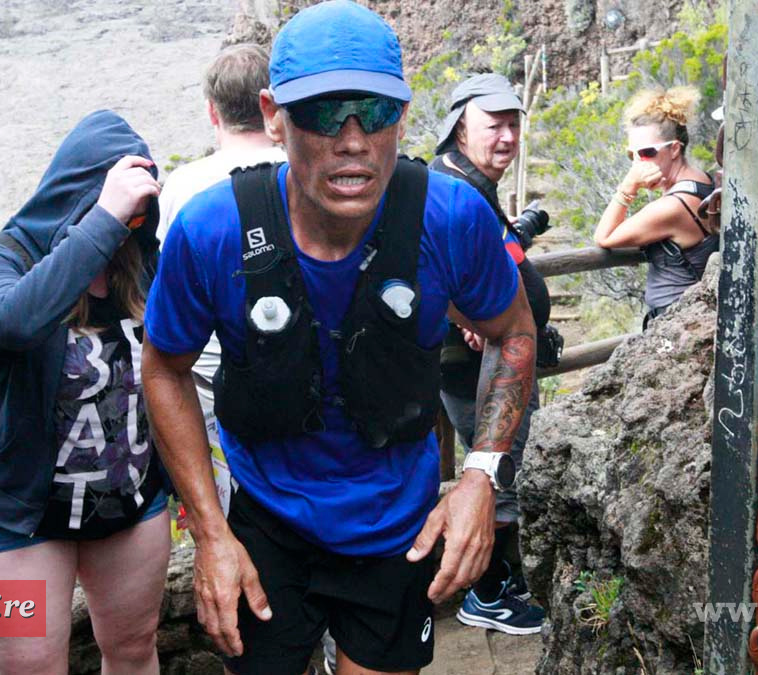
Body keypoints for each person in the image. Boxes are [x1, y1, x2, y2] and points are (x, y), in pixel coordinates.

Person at [141, 2, 537, 674]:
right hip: (268, 518)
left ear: (404, 115)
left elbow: (515, 333)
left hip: (395, 528)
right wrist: (211, 529)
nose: (353, 139)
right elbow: (163, 368)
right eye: (324, 113)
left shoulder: (449, 219)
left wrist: (479, 474)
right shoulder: (213, 231)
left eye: (375, 112)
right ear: (272, 116)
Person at [0, 110, 170, 673]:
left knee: (134, 651)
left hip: (127, 503)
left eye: (141, 211)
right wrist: (104, 220)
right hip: (15, 517)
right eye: (126, 207)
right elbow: (13, 323)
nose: (133, 223)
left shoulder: (141, 262)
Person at [430, 72, 549, 635]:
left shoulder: (471, 180)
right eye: (492, 125)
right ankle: (489, 593)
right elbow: (427, 260)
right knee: (495, 468)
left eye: (512, 124)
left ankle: (500, 584)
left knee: (504, 467)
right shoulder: (451, 184)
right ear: (458, 128)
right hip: (473, 364)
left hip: (490, 357)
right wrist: (474, 316)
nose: (506, 136)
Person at [157, 42, 286, 516]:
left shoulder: (183, 188)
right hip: (294, 369)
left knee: (223, 512)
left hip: (206, 381)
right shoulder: (300, 171)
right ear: (271, 105)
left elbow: (170, 291)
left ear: (212, 112)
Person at [593, 87, 718, 329]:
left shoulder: (672, 207)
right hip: (689, 316)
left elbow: (604, 237)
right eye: (633, 155)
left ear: (674, 149)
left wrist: (627, 187)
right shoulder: (702, 180)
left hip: (676, 322)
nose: (639, 162)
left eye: (648, 152)